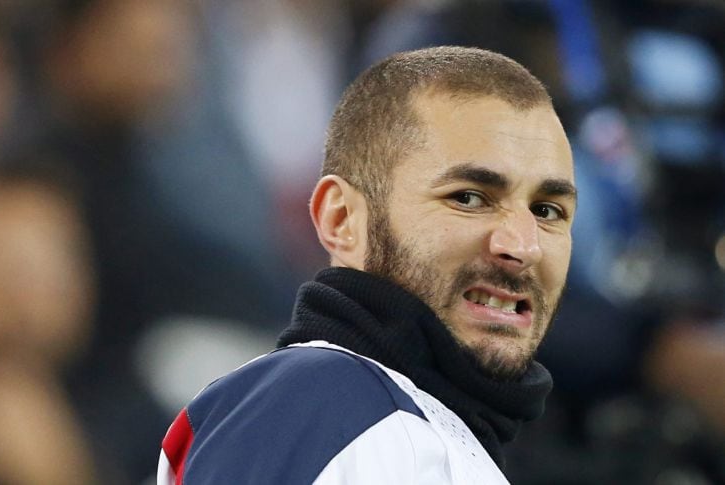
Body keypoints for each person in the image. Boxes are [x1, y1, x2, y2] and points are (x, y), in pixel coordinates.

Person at [158, 46, 576, 484]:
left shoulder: (402, 423)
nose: (523, 246)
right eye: (468, 198)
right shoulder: (321, 402)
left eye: (547, 210)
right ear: (342, 220)